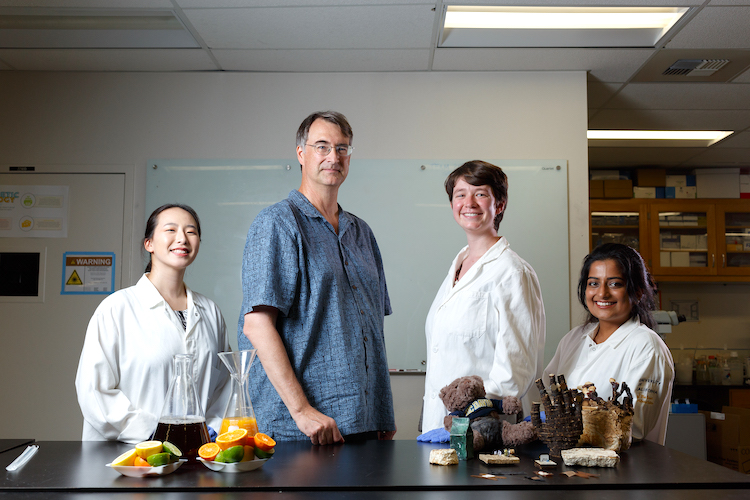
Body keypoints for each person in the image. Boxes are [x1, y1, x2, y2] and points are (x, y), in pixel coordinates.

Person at [238, 110, 395, 444]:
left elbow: (371, 330)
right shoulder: (277, 224)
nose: (333, 157)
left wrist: (382, 410)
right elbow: (256, 326)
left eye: (342, 148)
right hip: (301, 428)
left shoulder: (361, 233)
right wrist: (301, 410)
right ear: (301, 153)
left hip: (363, 423)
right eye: (321, 146)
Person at [75, 204, 232, 443]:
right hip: (128, 457)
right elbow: (95, 391)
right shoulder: (117, 308)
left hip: (196, 454)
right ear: (149, 244)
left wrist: (208, 430)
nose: (182, 238)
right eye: (170, 229)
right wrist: (156, 434)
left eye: (191, 232)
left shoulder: (210, 312)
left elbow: (225, 386)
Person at [421, 160, 546, 434]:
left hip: (482, 431)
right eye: (460, 194)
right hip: (440, 426)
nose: (469, 202)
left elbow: (516, 370)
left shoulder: (512, 272)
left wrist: (470, 415)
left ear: (499, 205)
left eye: (480, 194)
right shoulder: (459, 265)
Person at [545, 243, 674, 445]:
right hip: (570, 465)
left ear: (638, 291)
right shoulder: (573, 339)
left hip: (622, 471)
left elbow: (633, 428)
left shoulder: (647, 347)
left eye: (615, 284)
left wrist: (565, 422)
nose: (602, 293)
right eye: (594, 283)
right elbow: (548, 401)